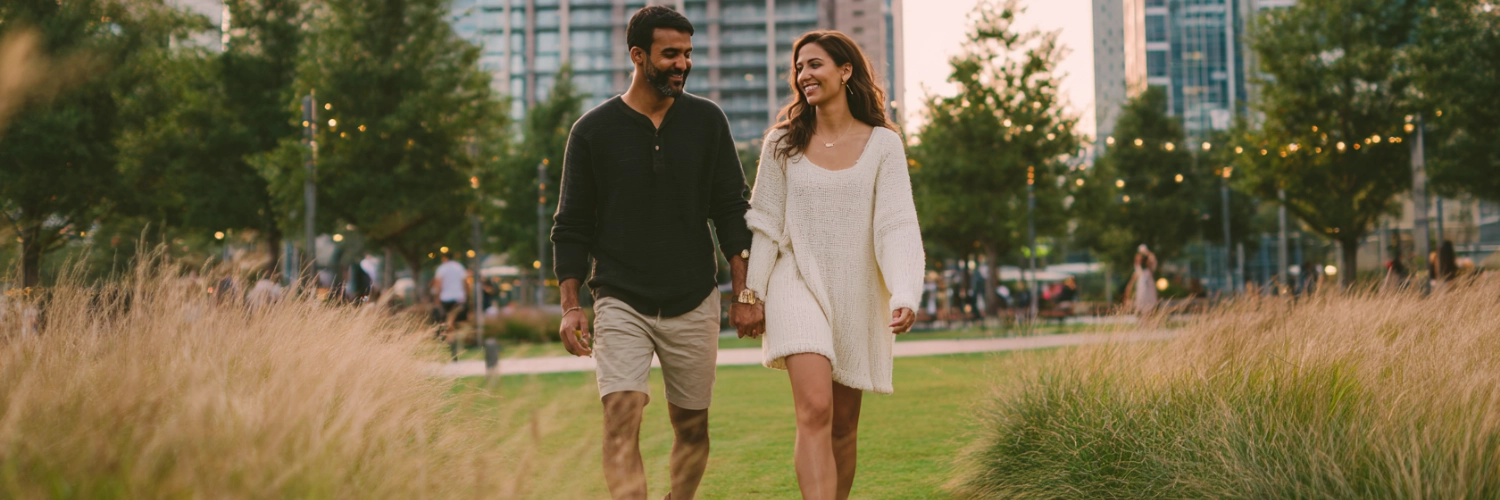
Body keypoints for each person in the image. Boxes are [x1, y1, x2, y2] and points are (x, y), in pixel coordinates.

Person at [550, 6, 760, 499]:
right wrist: (570, 306)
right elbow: (571, 225)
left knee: (692, 426)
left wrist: (744, 293)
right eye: (670, 54)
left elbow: (732, 210)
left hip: (694, 295)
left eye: (687, 53)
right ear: (638, 56)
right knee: (620, 416)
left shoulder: (707, 120)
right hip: (620, 296)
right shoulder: (592, 130)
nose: (682, 64)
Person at [743, 30, 925, 500]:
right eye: (799, 67)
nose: (803, 75)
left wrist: (905, 290)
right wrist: (752, 294)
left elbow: (896, 223)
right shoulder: (782, 143)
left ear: (845, 71)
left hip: (855, 289)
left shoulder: (884, 145)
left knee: (843, 424)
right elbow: (765, 224)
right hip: (795, 280)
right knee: (815, 408)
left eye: (814, 64)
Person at [431, 252, 469, 333]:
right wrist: (467, 295)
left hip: (445, 298)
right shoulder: (459, 267)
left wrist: (436, 298)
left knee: (444, 320)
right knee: (458, 321)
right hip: (459, 297)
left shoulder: (442, 268)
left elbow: (438, 285)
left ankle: (447, 332)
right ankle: (454, 334)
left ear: (444, 258)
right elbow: (465, 282)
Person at [1124, 245, 1157, 314]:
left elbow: (1153, 261)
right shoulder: (1137, 271)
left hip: (1149, 292)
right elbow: (1130, 284)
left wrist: (1146, 253)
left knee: (1150, 307)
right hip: (1140, 293)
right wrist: (1127, 297)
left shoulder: (1149, 270)